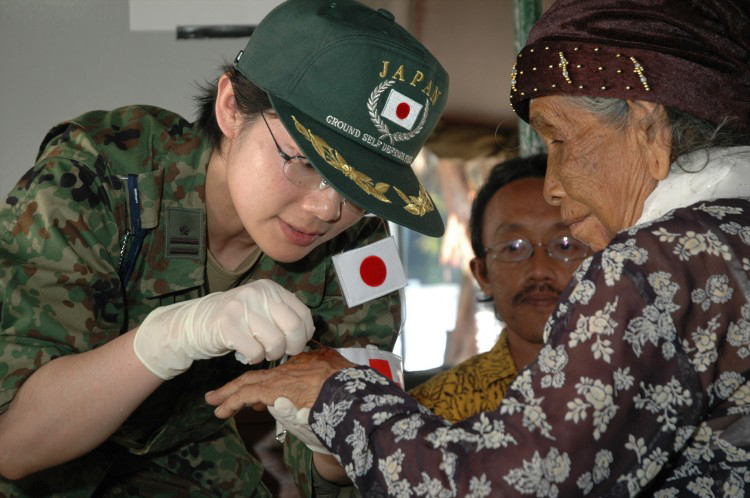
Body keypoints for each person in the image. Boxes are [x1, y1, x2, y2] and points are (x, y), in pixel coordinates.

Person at [206, 0, 750, 495]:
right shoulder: (727, 237)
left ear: (648, 127)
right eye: (303, 162)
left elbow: (512, 483)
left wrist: (335, 396)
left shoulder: (651, 266)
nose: (552, 184)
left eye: (560, 139)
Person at [0, 0, 449, 496]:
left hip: (190, 452)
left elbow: (342, 475)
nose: (328, 210)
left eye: (361, 192)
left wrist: (334, 436)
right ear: (232, 108)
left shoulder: (356, 248)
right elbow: (13, 444)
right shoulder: (98, 175)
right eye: (305, 163)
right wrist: (169, 338)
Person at [409, 154, 588, 422]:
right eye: (513, 248)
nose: (539, 270)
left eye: (564, 245)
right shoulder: (430, 415)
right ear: (482, 274)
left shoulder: (648, 384)